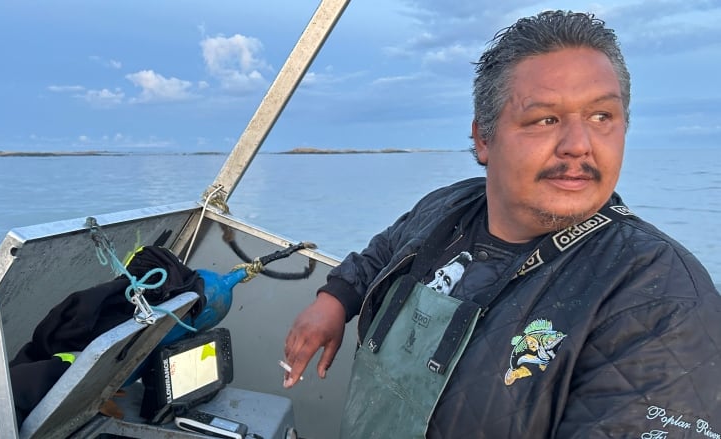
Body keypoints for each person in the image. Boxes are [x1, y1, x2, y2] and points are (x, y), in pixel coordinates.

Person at [282, 10, 721, 438]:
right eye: (545, 119)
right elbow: (385, 251)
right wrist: (334, 301)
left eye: (601, 117)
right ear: (483, 137)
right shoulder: (450, 205)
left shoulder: (660, 295)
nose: (578, 145)